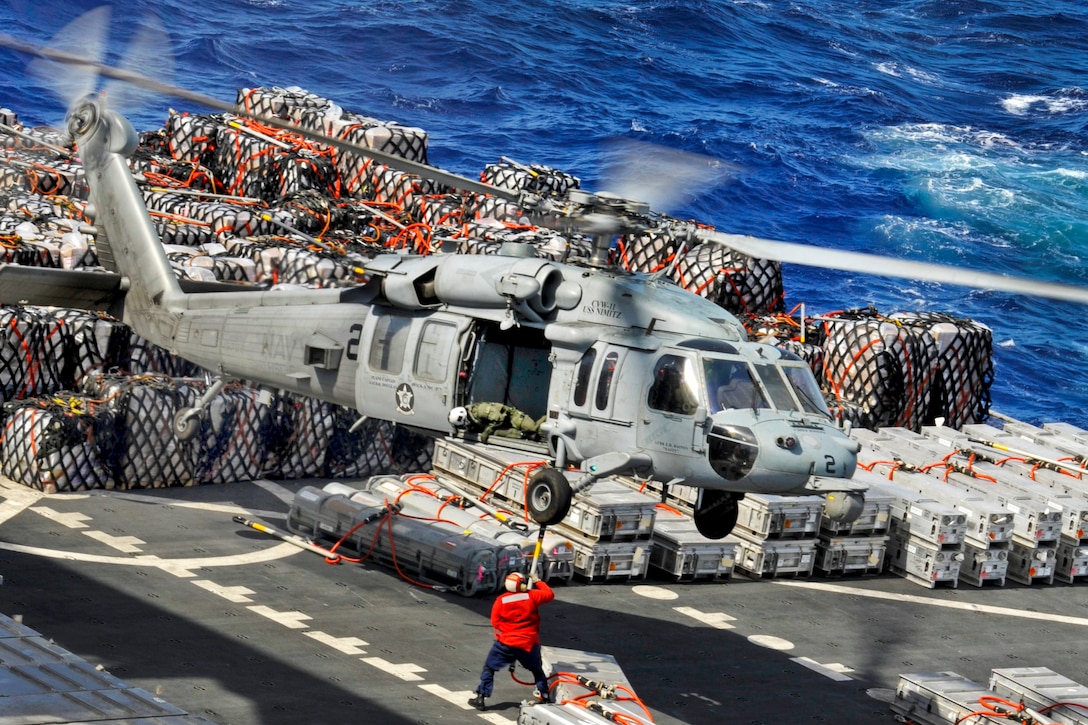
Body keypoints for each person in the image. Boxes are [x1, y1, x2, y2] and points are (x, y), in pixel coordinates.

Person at [468, 571, 555, 710]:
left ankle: (481, 697)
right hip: (528, 643)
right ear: (520, 585)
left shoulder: (501, 600)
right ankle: (545, 697)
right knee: (537, 670)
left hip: (506, 643)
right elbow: (549, 594)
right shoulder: (531, 595)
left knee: (489, 668)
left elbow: (495, 622)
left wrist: (506, 634)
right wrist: (537, 580)